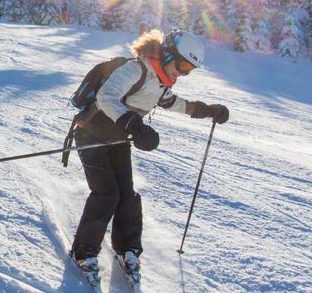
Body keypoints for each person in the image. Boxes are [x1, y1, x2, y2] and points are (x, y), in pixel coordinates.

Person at [68, 29, 230, 286]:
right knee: (107, 193)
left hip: (118, 138)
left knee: (127, 193)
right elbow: (106, 96)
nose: (184, 72)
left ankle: (127, 248)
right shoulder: (137, 69)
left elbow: (174, 103)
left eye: (190, 69)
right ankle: (84, 253)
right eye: (183, 64)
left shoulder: (161, 81)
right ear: (168, 53)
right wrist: (134, 124)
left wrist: (207, 110)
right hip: (91, 133)